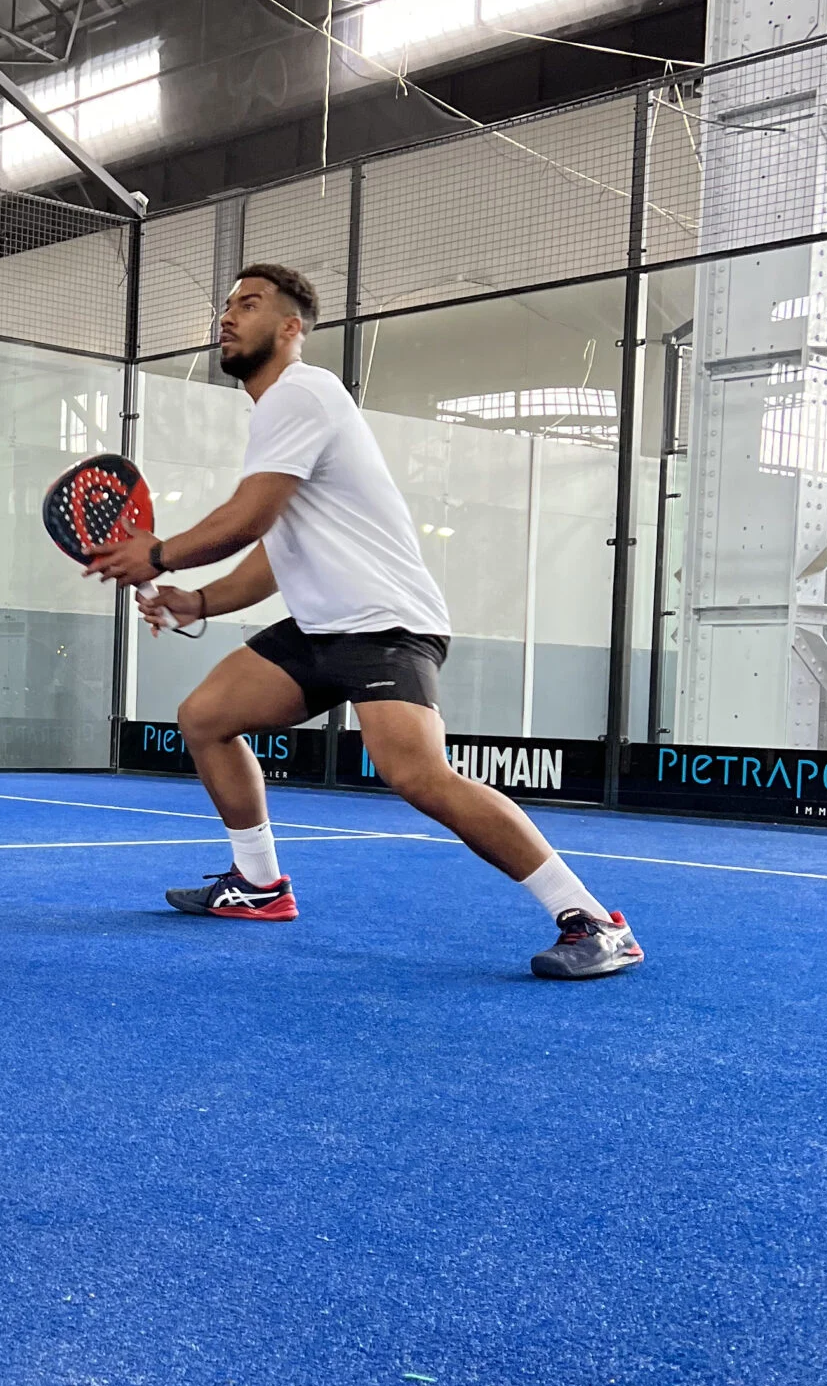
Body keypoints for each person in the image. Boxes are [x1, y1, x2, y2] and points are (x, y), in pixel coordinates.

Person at [87, 265, 642, 980]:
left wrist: (157, 554)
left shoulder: (302, 392)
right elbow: (275, 551)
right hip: (322, 624)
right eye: (226, 306)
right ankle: (257, 886)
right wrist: (196, 601)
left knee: (416, 774)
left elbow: (248, 518)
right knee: (206, 716)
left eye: (248, 305)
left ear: (292, 330)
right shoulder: (277, 414)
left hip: (384, 620)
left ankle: (595, 920)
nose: (228, 317)